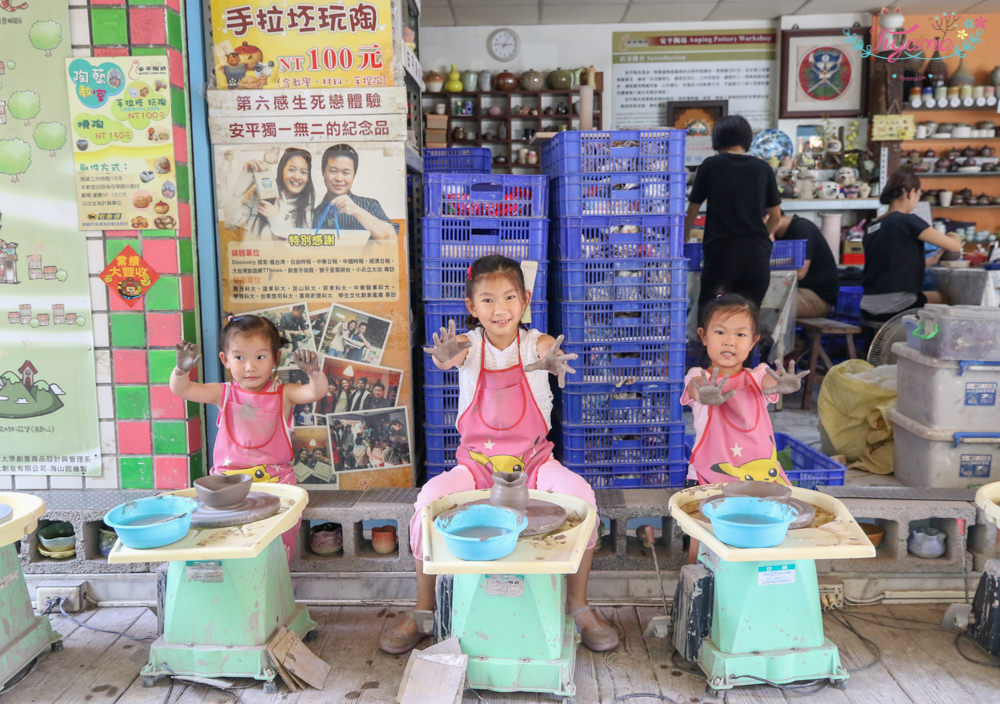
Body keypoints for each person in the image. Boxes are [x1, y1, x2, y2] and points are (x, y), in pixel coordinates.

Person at [379, 254, 619, 655]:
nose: (500, 308)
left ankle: (578, 605)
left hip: (535, 465)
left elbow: (549, 349)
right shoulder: (469, 345)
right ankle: (423, 609)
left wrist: (552, 361)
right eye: (487, 300)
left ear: (525, 300)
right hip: (477, 467)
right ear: (471, 307)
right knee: (425, 502)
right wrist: (443, 354)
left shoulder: (537, 343)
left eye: (509, 298)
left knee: (583, 498)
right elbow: (448, 356)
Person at [170, 314, 328, 560]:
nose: (250, 367)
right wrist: (181, 371)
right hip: (225, 488)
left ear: (276, 359)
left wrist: (315, 373)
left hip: (275, 485)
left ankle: (272, 592)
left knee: (273, 550)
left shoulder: (284, 394)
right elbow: (182, 389)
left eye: (260, 357)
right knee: (229, 548)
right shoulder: (222, 393)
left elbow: (315, 392)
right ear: (225, 359)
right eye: (239, 357)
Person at [681, 293, 808, 560]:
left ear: (753, 341)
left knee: (762, 535)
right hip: (708, 478)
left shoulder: (759, 374)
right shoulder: (698, 376)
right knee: (702, 535)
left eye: (740, 335)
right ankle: (693, 580)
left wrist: (784, 385)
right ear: (704, 336)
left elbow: (770, 384)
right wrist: (704, 394)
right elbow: (695, 389)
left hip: (760, 482)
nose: (729, 341)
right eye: (720, 332)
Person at [685, 115, 782, 313]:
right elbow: (776, 217)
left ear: (717, 139)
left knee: (713, 318)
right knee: (747, 319)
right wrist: (762, 238)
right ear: (747, 139)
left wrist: (685, 240)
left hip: (721, 256)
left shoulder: (710, 166)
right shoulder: (763, 169)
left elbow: (693, 209)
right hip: (756, 257)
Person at [861, 168, 963, 324]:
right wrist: (954, 237)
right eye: (918, 195)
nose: (917, 200)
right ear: (910, 192)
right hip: (897, 306)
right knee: (947, 298)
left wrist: (928, 262)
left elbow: (889, 265)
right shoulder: (908, 220)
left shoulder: (871, 227)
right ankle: (930, 345)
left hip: (867, 307)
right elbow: (954, 247)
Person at [311, 144, 399, 241]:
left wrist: (356, 211)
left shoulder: (369, 205)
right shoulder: (313, 214)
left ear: (354, 175)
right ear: (323, 172)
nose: (339, 178)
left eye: (346, 172)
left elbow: (391, 237)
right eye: (333, 171)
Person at [226, 147, 315, 241]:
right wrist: (244, 178)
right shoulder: (261, 194)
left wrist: (275, 218)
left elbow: (299, 250)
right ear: (282, 171)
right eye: (291, 169)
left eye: (303, 172)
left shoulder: (308, 213)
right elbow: (231, 223)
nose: (297, 177)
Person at [772, 212, 840, 318]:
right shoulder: (777, 235)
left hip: (817, 297)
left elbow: (800, 272)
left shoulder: (802, 228)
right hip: (795, 291)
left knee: (768, 305)